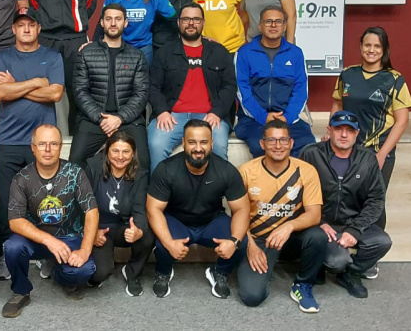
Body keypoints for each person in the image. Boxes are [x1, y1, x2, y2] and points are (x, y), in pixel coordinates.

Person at [0, 7, 64, 281]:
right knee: (7, 203)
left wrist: (16, 87)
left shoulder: (52, 56)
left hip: (43, 142)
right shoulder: (2, 57)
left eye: (31, 25)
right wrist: (35, 83)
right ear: (14, 29)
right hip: (8, 141)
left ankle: (45, 254)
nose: (26, 29)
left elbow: (55, 93)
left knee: (46, 199)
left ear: (38, 28)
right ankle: (3, 256)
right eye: (21, 25)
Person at [1, 124, 98, 318]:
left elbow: (92, 212)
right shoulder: (22, 178)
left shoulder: (75, 173)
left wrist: (85, 249)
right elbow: (15, 221)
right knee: (11, 247)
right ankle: (21, 291)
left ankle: (59, 274)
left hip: (69, 237)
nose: (47, 149)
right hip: (35, 240)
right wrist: (49, 240)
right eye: (42, 144)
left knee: (86, 270)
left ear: (61, 146)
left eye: (53, 144)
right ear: (33, 148)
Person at [146, 119, 249, 299]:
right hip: (177, 220)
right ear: (184, 143)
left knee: (241, 241)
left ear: (212, 143)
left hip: (211, 221)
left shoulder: (226, 170)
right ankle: (163, 271)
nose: (198, 148)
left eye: (203, 142)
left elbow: (241, 209)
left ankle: (219, 272)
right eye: (192, 142)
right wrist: (170, 243)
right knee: (162, 241)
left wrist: (233, 241)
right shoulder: (166, 169)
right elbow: (153, 209)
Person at [237, 120, 327, 313]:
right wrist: (250, 245)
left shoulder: (306, 171)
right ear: (262, 144)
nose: (278, 146)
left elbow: (314, 215)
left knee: (318, 236)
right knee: (252, 297)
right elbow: (238, 214)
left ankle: (303, 285)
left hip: (291, 237)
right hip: (259, 240)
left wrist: (288, 227)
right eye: (272, 140)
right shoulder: (246, 171)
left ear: (291, 143)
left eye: (283, 140)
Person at [301, 111, 391, 298]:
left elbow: (376, 199)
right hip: (322, 223)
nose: (343, 135)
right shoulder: (311, 153)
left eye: (349, 130)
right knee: (336, 261)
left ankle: (351, 274)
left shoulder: (368, 159)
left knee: (383, 242)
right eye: (338, 129)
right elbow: (296, 193)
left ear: (357, 134)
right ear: (329, 130)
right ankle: (321, 263)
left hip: (352, 220)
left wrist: (356, 230)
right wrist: (317, 221)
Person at [330, 26, 410, 232]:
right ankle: (346, 249)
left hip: (378, 151)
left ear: (384, 50)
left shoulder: (394, 79)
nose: (371, 50)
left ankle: (372, 253)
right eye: (367, 45)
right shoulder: (348, 74)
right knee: (347, 200)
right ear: (360, 46)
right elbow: (338, 104)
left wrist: (382, 154)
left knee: (374, 203)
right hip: (349, 150)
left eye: (377, 46)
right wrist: (332, 132)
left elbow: (402, 120)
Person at [28, 0, 98, 134]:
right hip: (46, 39)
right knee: (40, 92)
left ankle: (76, 142)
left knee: (78, 93)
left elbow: (90, 1)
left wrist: (73, 20)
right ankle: (41, 141)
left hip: (75, 40)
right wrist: (48, 20)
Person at [148, 2, 236, 172]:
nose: (191, 23)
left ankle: (214, 195)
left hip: (209, 116)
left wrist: (216, 112)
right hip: (173, 116)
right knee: (157, 143)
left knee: (217, 146)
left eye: (196, 19)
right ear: (179, 22)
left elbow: (229, 86)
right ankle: (159, 196)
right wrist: (162, 111)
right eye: (186, 19)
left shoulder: (219, 52)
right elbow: (153, 86)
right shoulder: (164, 53)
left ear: (203, 23)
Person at [70, 3, 150, 169]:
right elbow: (80, 91)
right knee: (75, 160)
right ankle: (83, 196)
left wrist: (120, 118)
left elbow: (141, 94)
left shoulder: (137, 56)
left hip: (128, 120)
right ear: (101, 23)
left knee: (143, 162)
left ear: (125, 23)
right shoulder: (86, 53)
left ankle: (137, 196)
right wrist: (101, 119)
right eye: (109, 19)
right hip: (94, 119)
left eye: (118, 19)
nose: (113, 23)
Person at [235, 5, 314, 158]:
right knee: (263, 146)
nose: (273, 25)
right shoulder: (244, 53)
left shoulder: (295, 53)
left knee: (309, 147)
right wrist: (263, 116)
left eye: (278, 21)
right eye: (268, 21)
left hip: (288, 118)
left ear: (284, 26)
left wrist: (287, 117)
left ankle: (296, 182)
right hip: (253, 120)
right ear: (260, 25)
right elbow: (242, 91)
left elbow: (300, 91)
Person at [85, 131, 153, 296]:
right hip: (100, 228)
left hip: (124, 226)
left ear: (133, 154)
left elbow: (139, 208)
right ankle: (98, 271)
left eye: (126, 151)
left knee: (147, 235)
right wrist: (91, 232)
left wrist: (138, 230)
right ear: (107, 151)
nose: (120, 156)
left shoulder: (140, 174)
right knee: (99, 274)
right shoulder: (92, 167)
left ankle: (132, 273)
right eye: (115, 151)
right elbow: (82, 204)